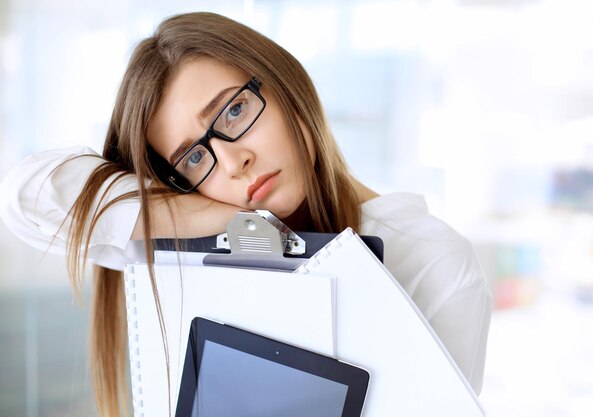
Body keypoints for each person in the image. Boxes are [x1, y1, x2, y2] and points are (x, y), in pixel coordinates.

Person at [0, 11, 491, 417]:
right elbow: (27, 196)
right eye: (194, 157)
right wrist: (209, 219)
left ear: (285, 86)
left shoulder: (431, 259)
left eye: (233, 112)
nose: (233, 162)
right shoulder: (193, 250)